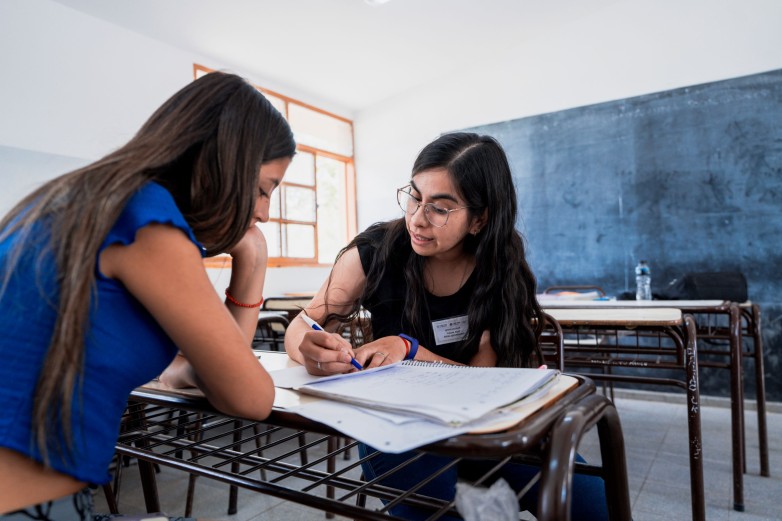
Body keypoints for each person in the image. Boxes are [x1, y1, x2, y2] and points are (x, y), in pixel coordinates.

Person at [0, 71, 296, 518]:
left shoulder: (88, 198)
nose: (264, 214)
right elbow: (249, 397)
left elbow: (205, 370)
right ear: (224, 163)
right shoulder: (148, 222)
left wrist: (185, 370)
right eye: (262, 190)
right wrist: (253, 259)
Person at [284, 132, 608, 520]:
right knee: (435, 511)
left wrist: (409, 349)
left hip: (481, 425)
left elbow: (483, 386)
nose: (417, 219)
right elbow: (301, 326)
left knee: (595, 504)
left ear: (479, 220)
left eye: (440, 208)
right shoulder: (374, 253)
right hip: (395, 425)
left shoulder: (499, 269)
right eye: (414, 197)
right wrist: (309, 347)